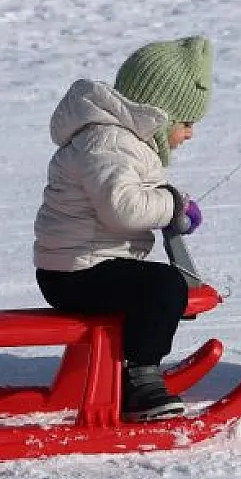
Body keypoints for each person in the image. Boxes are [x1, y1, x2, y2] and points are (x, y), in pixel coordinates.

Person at [34, 38, 213, 422]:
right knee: (162, 286)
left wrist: (170, 202)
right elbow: (123, 209)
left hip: (84, 265)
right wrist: (172, 205)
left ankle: (129, 368)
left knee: (155, 288)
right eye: (187, 123)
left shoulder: (121, 141)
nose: (190, 134)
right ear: (161, 115)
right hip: (78, 272)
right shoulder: (110, 142)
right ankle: (139, 379)